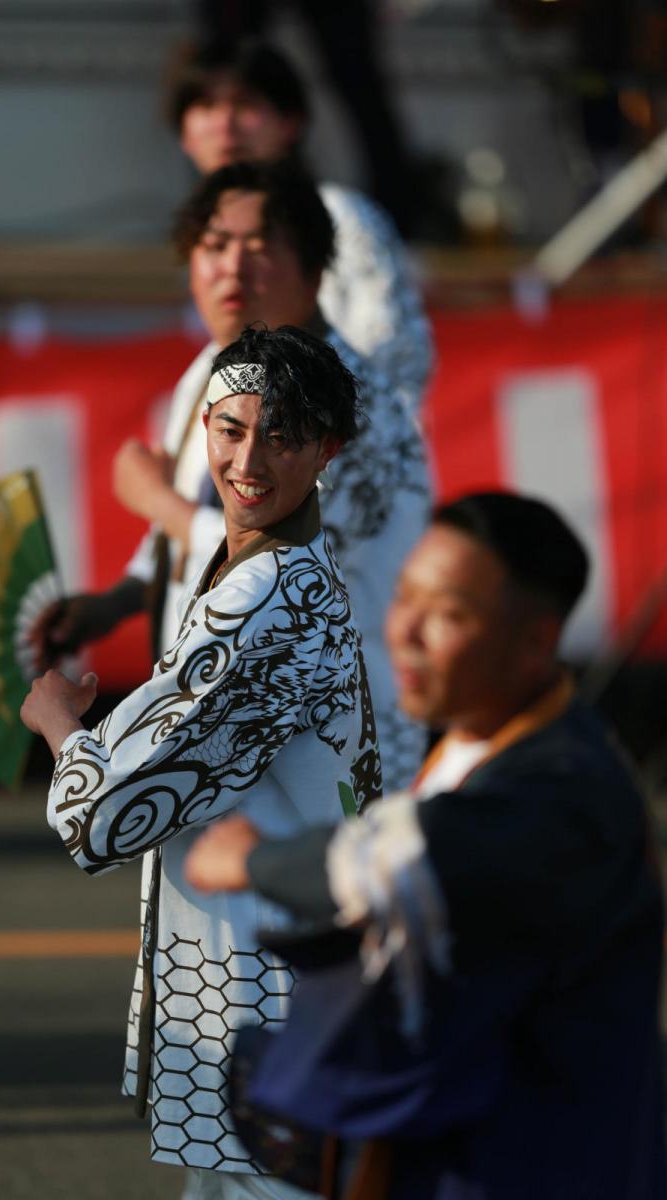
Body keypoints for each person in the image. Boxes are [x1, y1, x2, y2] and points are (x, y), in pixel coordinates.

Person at [185, 491, 666, 1200]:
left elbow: (407, 858)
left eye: (448, 613)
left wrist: (249, 858)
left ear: (533, 641)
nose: (404, 628)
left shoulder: (565, 790)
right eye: (405, 595)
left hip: (542, 1162)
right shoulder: (486, 742)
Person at [20, 324, 382, 1198]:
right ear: (203, 433)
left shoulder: (270, 592)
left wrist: (61, 727)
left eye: (283, 433)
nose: (249, 457)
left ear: (327, 449)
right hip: (266, 980)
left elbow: (103, 819)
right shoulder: (272, 571)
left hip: (268, 991)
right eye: (230, 429)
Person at [39, 161, 431, 791]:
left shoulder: (358, 402)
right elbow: (216, 523)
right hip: (233, 725)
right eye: (215, 246)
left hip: (336, 745)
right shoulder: (215, 369)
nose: (233, 268)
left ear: (314, 269)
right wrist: (118, 601)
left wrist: (157, 501)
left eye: (261, 248)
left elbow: (295, 566)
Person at [166, 37, 433, 400]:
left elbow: (394, 360)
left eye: (245, 104)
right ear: (183, 131)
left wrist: (291, 438)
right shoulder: (192, 229)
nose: (225, 124)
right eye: (206, 105)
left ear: (291, 122)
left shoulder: (341, 216)